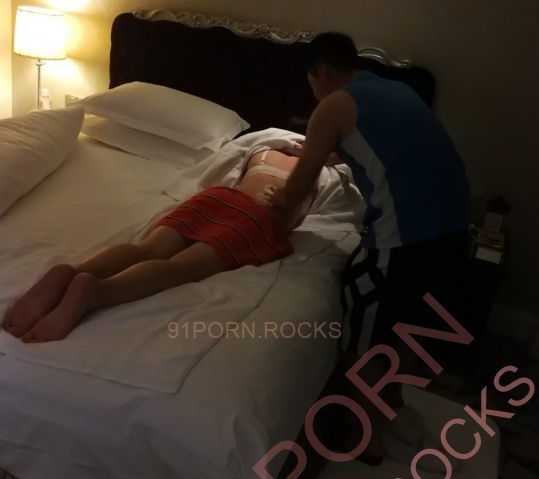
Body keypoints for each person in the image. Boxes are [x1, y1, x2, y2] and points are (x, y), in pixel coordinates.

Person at [263, 32, 470, 464]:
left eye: (312, 84)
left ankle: (367, 438)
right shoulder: (395, 90)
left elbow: (297, 190)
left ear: (321, 71)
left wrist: (277, 199)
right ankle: (391, 403)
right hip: (453, 230)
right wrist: (325, 152)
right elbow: (386, 149)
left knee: (362, 335)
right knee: (404, 327)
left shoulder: (332, 105)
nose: (314, 94)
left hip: (404, 239)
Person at [2, 146, 316, 344]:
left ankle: (74, 272)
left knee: (146, 250)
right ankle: (97, 291)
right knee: (180, 267)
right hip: (255, 217)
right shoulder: (314, 172)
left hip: (217, 197)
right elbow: (296, 213)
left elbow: (213, 172)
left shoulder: (260, 150)